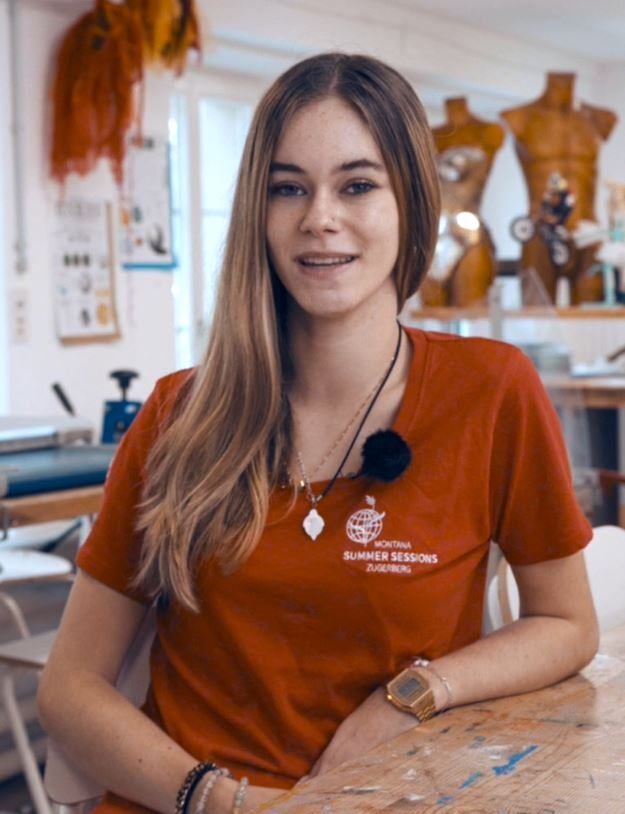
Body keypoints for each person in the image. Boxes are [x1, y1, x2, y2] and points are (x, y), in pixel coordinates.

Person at [38, 53, 599, 814]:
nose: (319, 218)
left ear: (410, 204)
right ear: (257, 213)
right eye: (287, 188)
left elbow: (564, 622)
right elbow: (69, 687)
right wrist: (226, 802)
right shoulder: (180, 414)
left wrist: (415, 693)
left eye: (357, 185)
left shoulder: (492, 391)